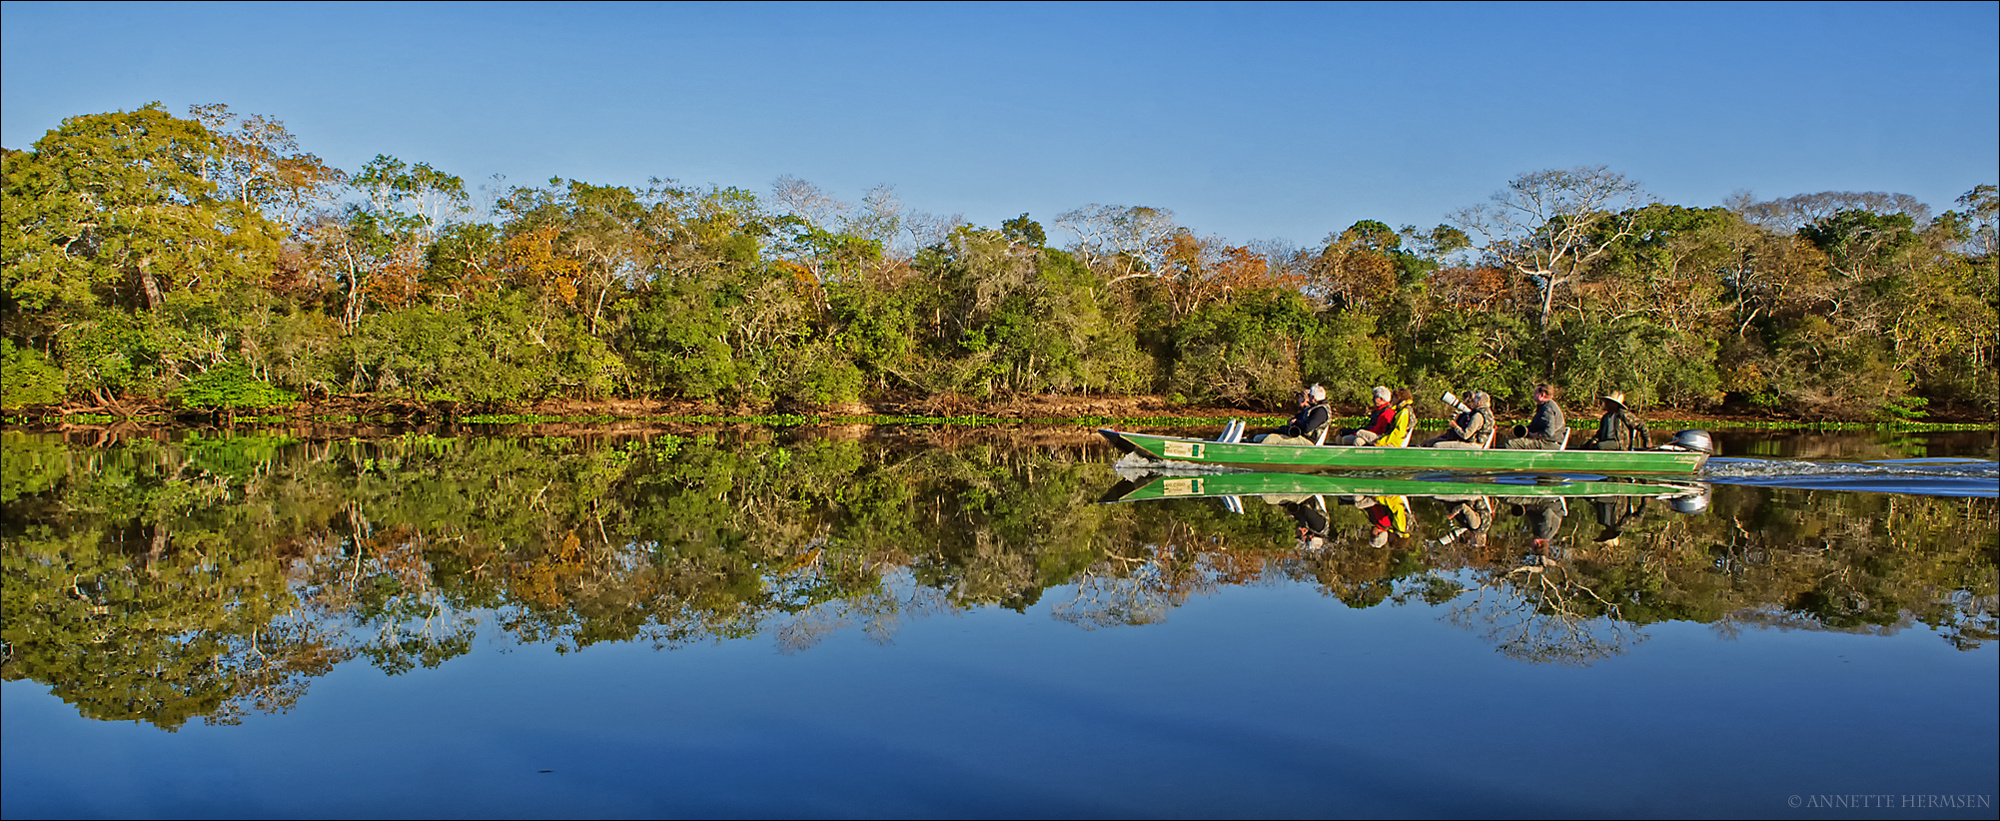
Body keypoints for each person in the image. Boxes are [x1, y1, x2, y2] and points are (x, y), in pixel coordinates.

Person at [1252, 384, 1331, 446]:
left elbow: (1307, 428)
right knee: (1259, 437)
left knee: (1272, 439)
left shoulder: (1321, 411)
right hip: (1299, 437)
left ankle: (1256, 457)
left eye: (1309, 395)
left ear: (1313, 398)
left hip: (1308, 441)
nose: (1308, 397)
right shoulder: (1313, 408)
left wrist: (1296, 422)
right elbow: (1299, 418)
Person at [1502, 383, 1566, 449]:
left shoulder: (1548, 409)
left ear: (1542, 395)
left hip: (1550, 443)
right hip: (1546, 441)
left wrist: (1534, 435)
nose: (1534, 394)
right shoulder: (1543, 406)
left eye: (1536, 392)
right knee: (1513, 439)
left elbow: (1548, 433)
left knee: (1511, 442)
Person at [1579, 391, 1650, 450]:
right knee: (1584, 446)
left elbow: (1641, 425)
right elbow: (1599, 433)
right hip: (1606, 441)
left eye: (1609, 402)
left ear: (1615, 404)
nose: (1606, 404)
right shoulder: (1605, 417)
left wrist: (1647, 441)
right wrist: (1594, 441)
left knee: (1600, 446)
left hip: (1619, 443)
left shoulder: (1623, 414)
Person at [1422, 390, 1494, 448]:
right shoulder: (1486, 414)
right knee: (1428, 442)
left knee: (1437, 445)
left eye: (1474, 401)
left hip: (1473, 445)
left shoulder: (1478, 416)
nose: (1472, 403)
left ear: (1479, 403)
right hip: (1470, 443)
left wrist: (1455, 426)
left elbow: (1466, 435)